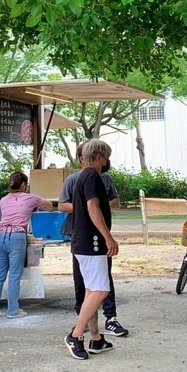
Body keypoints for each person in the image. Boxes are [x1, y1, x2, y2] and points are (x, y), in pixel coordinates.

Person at [59, 141, 128, 337]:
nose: (108, 161)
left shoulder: (85, 177)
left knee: (92, 289)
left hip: (84, 242)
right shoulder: (91, 177)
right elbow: (92, 207)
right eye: (107, 156)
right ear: (98, 157)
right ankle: (76, 335)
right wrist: (108, 237)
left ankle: (96, 338)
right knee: (100, 290)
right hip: (92, 242)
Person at [0, 172, 52, 319]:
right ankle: (13, 311)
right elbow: (49, 206)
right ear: (23, 184)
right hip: (16, 236)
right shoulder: (31, 198)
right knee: (14, 275)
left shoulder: (3, 200)